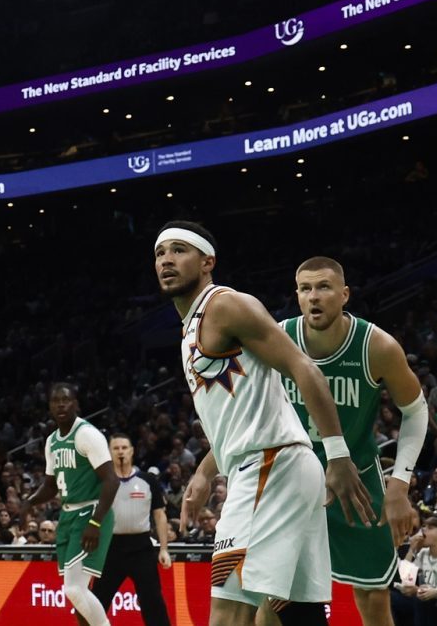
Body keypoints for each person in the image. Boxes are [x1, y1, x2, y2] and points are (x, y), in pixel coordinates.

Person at [161, 221, 375, 626]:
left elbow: (304, 368)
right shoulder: (190, 326)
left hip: (269, 467)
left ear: (208, 262)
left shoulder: (225, 305)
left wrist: (339, 454)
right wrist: (206, 472)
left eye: (179, 250)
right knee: (291, 613)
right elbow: (241, 416)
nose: (167, 260)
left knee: (228, 614)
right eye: (160, 253)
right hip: (277, 467)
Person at [274, 257, 431, 626]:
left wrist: (399, 485)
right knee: (273, 597)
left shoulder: (376, 346)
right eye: (305, 289)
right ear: (296, 296)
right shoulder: (279, 338)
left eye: (324, 287)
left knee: (374, 600)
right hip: (293, 482)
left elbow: (417, 411)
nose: (314, 297)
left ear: (344, 295)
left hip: (356, 483)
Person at [11, 384, 121, 626]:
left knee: (73, 589)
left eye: (66, 400)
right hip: (68, 515)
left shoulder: (87, 434)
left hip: (90, 512)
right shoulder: (51, 441)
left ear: (76, 404)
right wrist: (28, 502)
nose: (61, 404)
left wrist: (95, 522)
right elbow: (51, 486)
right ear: (49, 406)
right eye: (55, 400)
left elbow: (112, 480)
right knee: (77, 592)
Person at [91, 436, 174, 626]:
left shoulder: (148, 480)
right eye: (116, 448)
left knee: (153, 602)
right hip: (110, 549)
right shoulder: (101, 481)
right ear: (109, 452)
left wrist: (163, 549)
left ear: (132, 451)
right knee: (97, 602)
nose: (120, 451)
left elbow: (160, 515)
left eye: (124, 447)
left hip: (142, 548)